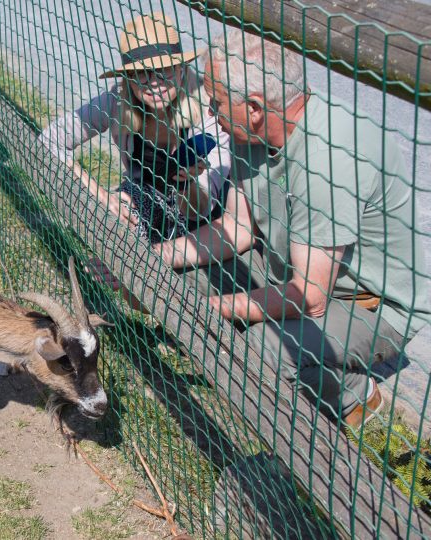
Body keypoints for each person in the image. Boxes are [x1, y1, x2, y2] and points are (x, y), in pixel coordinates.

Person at [122, 29, 431, 429]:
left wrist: (211, 311)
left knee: (256, 349)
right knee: (182, 275)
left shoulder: (331, 158)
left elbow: (311, 297)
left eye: (215, 103)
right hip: (291, 266)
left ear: (253, 107)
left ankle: (355, 395)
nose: (210, 113)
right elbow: (235, 227)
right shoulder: (250, 133)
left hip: (365, 301)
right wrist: (148, 260)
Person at [38, 13, 232, 243]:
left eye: (164, 69)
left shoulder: (210, 111)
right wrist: (98, 195)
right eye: (141, 73)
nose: (153, 82)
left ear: (181, 69)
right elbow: (48, 140)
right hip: (145, 195)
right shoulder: (117, 99)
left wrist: (186, 183)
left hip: (198, 214)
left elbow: (201, 209)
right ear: (128, 78)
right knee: (116, 219)